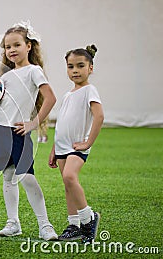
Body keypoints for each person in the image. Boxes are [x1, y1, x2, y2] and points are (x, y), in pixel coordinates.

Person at [0, 20, 58, 240]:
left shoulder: (34, 71)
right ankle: (13, 223)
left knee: (27, 177)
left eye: (16, 45)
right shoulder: (4, 77)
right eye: (7, 47)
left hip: (19, 133)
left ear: (28, 46)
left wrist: (33, 123)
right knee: (8, 176)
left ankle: (44, 225)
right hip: (0, 132)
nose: (11, 50)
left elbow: (50, 98)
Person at [48, 45, 104, 243]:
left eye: (80, 66)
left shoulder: (90, 90)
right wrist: (55, 148)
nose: (75, 70)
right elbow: (62, 122)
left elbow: (99, 116)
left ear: (90, 68)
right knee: (67, 184)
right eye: (71, 66)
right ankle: (74, 225)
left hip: (77, 146)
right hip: (62, 147)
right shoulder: (68, 94)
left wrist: (88, 142)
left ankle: (89, 219)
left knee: (70, 177)